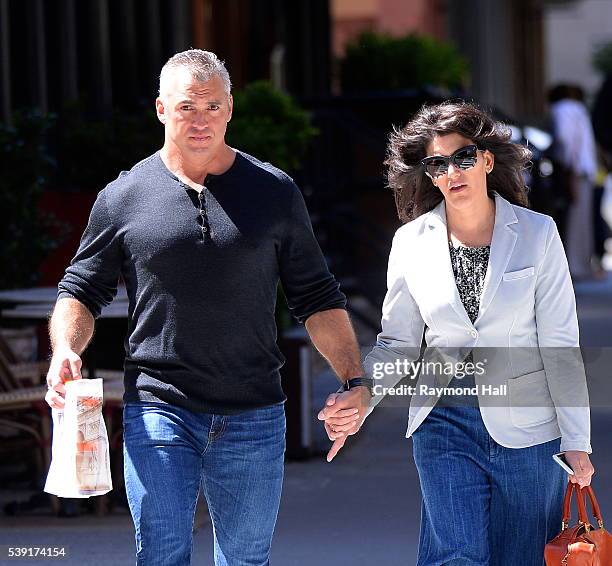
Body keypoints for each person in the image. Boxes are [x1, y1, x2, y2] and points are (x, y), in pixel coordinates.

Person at [44, 49, 367, 566]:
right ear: (160, 109)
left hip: (255, 409)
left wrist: (353, 379)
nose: (201, 119)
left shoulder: (274, 192)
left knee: (244, 559)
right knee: (163, 554)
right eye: (187, 106)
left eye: (212, 106)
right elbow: (81, 287)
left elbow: (316, 295)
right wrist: (64, 348)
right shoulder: (123, 196)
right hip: (159, 405)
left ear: (231, 108)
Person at [319, 101, 595, 565]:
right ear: (429, 174)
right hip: (444, 420)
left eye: (463, 157)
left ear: (486, 160)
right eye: (437, 164)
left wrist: (577, 442)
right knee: (455, 556)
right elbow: (398, 340)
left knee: (522, 556)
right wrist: (362, 394)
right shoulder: (411, 242)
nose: (453, 172)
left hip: (528, 429)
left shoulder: (536, 233)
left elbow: (560, 345)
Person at [549, 84, 599, 280]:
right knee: (583, 222)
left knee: (573, 221)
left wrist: (567, 164)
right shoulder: (579, 109)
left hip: (573, 171)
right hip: (585, 169)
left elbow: (565, 138)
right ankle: (582, 265)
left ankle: (574, 267)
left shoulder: (561, 109)